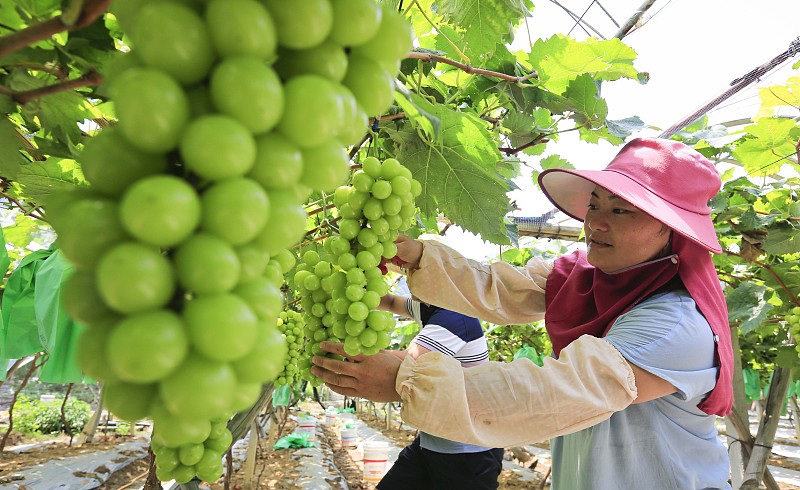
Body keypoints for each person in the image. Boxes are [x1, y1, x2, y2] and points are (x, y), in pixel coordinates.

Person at [311, 138, 734, 489]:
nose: (596, 223)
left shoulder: (676, 325)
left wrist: (405, 381)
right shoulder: (584, 277)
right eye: (595, 205)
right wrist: (417, 256)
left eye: (620, 209)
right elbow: (500, 287)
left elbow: (554, 393)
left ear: (671, 228)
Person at [376, 292, 504, 490]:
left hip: (469, 455)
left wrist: (347, 350)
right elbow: (391, 302)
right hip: (432, 443)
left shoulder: (456, 316)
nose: (411, 279)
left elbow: (404, 364)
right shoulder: (427, 305)